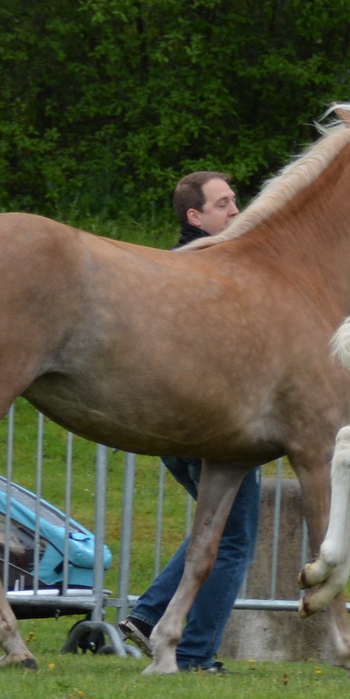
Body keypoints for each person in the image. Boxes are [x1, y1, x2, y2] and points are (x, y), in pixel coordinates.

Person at [118, 172, 260, 672]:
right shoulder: (213, 267)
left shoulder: (175, 266)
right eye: (223, 204)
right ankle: (195, 652)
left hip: (176, 426)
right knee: (233, 537)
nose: (236, 211)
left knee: (215, 528)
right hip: (213, 426)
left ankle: (150, 614)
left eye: (235, 201)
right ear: (194, 217)